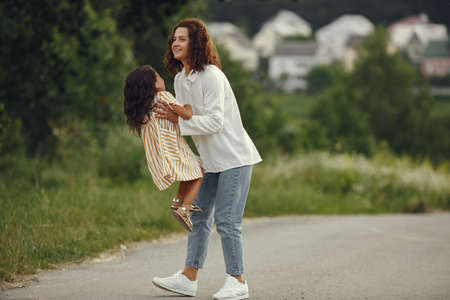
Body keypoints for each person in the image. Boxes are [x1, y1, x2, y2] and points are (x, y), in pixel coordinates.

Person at [152, 18, 262, 300]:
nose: (175, 43)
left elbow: (213, 122)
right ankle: (189, 278)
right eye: (173, 39)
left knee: (226, 220)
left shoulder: (212, 75)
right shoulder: (180, 79)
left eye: (182, 39)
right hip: (210, 161)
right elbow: (186, 116)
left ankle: (237, 281)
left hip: (234, 158)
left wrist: (178, 122)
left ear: (196, 43)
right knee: (198, 218)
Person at [123, 65, 204, 232]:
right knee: (200, 173)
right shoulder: (163, 97)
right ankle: (185, 209)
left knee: (188, 174)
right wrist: (188, 106)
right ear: (152, 84)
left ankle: (177, 202)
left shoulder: (143, 110)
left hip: (161, 155)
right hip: (175, 149)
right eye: (158, 77)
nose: (162, 79)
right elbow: (187, 114)